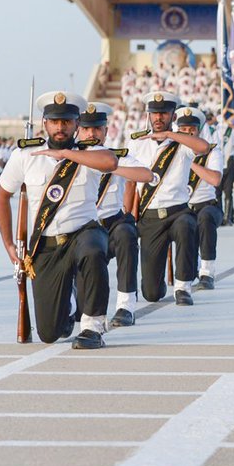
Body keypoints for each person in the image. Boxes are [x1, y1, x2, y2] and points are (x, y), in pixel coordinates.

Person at [0, 91, 117, 348]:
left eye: (67, 122)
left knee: (94, 250)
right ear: (45, 123)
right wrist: (8, 245)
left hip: (83, 233)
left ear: (76, 124)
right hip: (47, 245)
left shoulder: (91, 150)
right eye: (55, 121)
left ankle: (93, 327)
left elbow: (110, 162)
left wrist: (67, 156)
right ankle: (69, 301)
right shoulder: (26, 156)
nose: (60, 127)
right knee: (49, 334)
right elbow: (2, 196)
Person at [125, 92, 212, 306]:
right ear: (149, 115)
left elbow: (203, 148)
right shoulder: (137, 142)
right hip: (150, 215)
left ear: (173, 116)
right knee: (151, 293)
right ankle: (159, 283)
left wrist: (171, 136)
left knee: (187, 225)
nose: (159, 118)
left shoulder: (182, 142)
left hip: (178, 212)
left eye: (164, 113)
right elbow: (130, 182)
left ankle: (183, 287)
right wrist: (128, 215)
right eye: (155, 113)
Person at [76, 101, 152, 328]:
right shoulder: (69, 158)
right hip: (83, 229)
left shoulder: (117, 156)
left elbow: (145, 175)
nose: (92, 133)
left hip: (111, 226)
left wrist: (110, 166)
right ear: (78, 130)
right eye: (87, 129)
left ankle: (126, 305)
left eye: (97, 129)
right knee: (78, 310)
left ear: (106, 131)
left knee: (127, 233)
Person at [175, 107, 224, 290]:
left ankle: (207, 271)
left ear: (198, 131)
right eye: (183, 130)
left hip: (206, 205)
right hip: (182, 207)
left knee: (205, 218)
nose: (188, 133)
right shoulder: (170, 154)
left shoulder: (211, 151)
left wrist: (191, 163)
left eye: (192, 130)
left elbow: (215, 179)